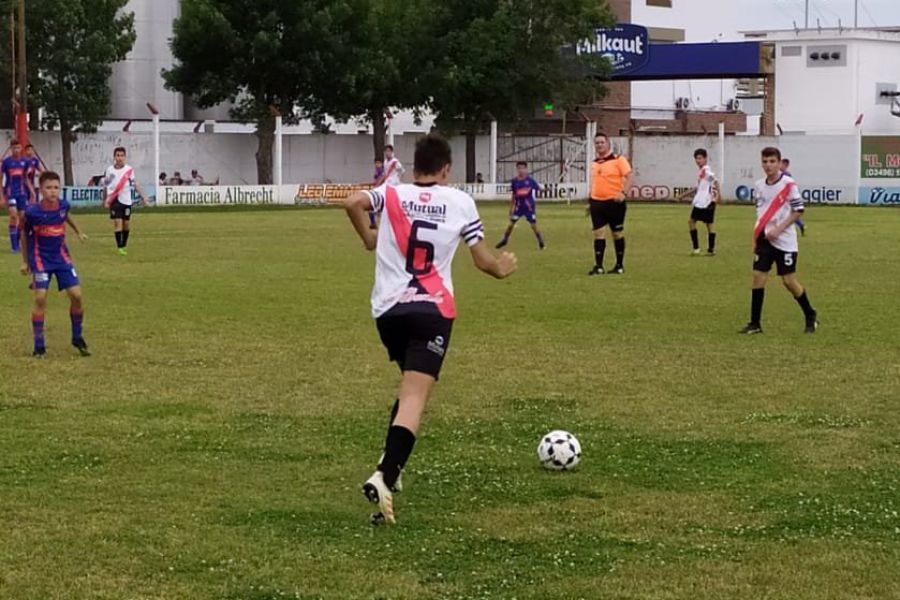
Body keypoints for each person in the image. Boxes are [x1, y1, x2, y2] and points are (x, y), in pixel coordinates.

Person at [334, 133, 516, 525]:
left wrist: (369, 236)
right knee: (416, 395)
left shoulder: (393, 193)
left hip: (388, 311)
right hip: (432, 310)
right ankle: (385, 476)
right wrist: (503, 266)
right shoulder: (461, 201)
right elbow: (484, 261)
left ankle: (391, 461)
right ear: (446, 169)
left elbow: (352, 202)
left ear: (415, 165)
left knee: (409, 387)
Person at [741, 147, 818, 335]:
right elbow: (760, 212)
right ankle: (755, 323)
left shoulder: (788, 184)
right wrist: (759, 234)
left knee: (788, 281)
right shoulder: (759, 185)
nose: (768, 165)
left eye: (772, 161)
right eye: (765, 161)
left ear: (779, 163)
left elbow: (798, 210)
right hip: (765, 239)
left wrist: (779, 229)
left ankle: (810, 314)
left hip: (785, 241)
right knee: (758, 277)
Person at [19, 171, 90, 358]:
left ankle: (77, 336)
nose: (53, 191)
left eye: (56, 188)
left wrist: (78, 232)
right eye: (49, 188)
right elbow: (24, 234)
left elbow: (66, 215)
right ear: (41, 190)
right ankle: (39, 345)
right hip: (40, 258)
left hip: (61, 258)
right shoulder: (32, 212)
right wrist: (25, 261)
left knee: (76, 295)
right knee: (40, 298)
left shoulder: (63, 206)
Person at [587, 132, 632, 275]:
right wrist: (591, 201)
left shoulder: (619, 160)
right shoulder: (594, 163)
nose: (599, 145)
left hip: (614, 203)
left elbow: (630, 176)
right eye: (597, 143)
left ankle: (619, 265)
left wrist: (623, 193)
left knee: (617, 233)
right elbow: (596, 183)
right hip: (597, 203)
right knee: (598, 233)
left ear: (608, 143)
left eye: (602, 142)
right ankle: (598, 266)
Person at [102, 147, 149, 256]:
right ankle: (120, 247)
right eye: (117, 155)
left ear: (125, 157)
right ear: (114, 157)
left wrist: (144, 197)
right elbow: (106, 185)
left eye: (122, 155)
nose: (120, 158)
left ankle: (124, 244)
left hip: (126, 200)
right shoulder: (110, 170)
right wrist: (105, 200)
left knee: (126, 224)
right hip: (114, 200)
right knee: (117, 223)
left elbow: (135, 184)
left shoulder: (129, 170)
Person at [495, 161, 545, 250]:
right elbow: (514, 195)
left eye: (522, 168)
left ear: (526, 169)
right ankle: (505, 240)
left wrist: (543, 189)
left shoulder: (530, 180)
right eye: (519, 168)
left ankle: (541, 242)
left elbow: (539, 189)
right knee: (511, 224)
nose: (521, 170)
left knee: (534, 226)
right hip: (519, 207)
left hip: (529, 207)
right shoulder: (514, 181)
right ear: (517, 169)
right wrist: (511, 207)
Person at [683, 148, 719, 256]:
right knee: (701, 223)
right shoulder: (701, 172)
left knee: (701, 223)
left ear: (705, 158)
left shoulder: (706, 170)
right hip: (702, 201)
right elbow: (697, 188)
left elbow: (715, 180)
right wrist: (682, 195)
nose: (698, 161)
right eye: (696, 158)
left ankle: (700, 249)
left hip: (706, 201)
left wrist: (718, 196)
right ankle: (705, 249)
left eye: (700, 158)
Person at [2, 139, 34, 252]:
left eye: (18, 148)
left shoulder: (25, 162)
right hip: (10, 192)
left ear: (21, 149)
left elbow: (26, 178)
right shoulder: (6, 162)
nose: (16, 150)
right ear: (11, 148)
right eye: (14, 148)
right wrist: (1, 196)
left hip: (22, 193)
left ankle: (18, 241)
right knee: (13, 215)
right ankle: (14, 246)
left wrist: (32, 192)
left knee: (23, 218)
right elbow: (1, 179)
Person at [781, 158, 806, 236]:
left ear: (786, 165)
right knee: (789, 213)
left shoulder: (785, 175)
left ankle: (799, 225)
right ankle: (801, 224)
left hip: (786, 197)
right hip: (784, 197)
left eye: (782, 164)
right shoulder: (783, 174)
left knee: (788, 213)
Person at [369, 158, 385, 229]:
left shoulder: (382, 171)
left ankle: (374, 223)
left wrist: (376, 186)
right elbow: (375, 180)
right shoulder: (377, 171)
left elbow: (381, 180)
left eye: (379, 163)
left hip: (381, 191)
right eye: (376, 163)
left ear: (382, 164)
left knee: (374, 208)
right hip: (377, 190)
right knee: (373, 208)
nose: (377, 164)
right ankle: (373, 223)